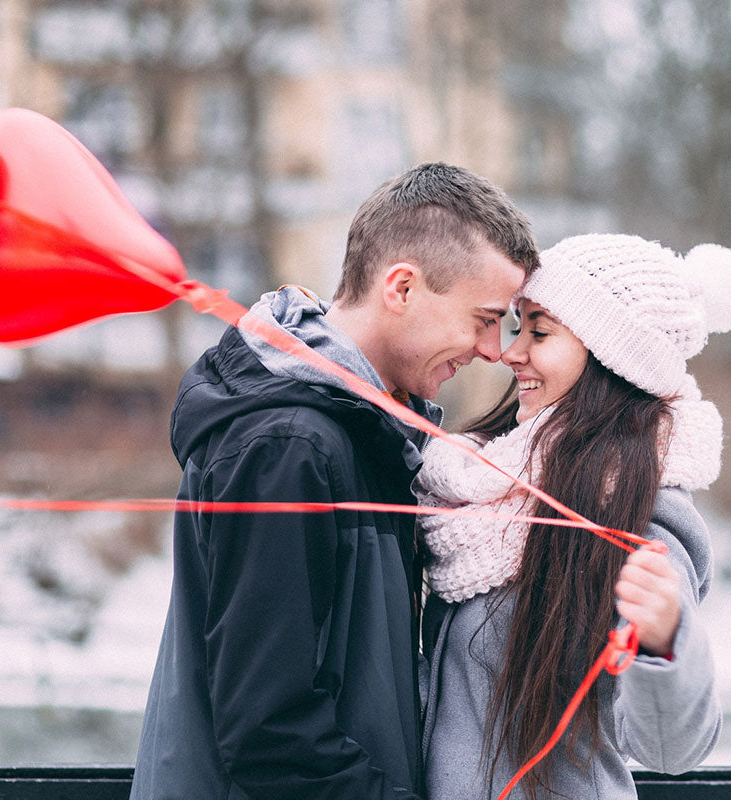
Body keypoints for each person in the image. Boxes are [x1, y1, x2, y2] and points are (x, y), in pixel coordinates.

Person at [130, 162, 539, 800]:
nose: (493, 350)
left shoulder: (363, 433)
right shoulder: (289, 447)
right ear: (401, 288)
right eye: (484, 318)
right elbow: (270, 731)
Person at [417, 233, 731, 799]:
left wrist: (664, 640)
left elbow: (672, 749)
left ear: (611, 358)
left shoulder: (638, 515)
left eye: (540, 332)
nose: (511, 352)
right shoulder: (475, 488)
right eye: (516, 325)